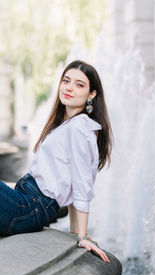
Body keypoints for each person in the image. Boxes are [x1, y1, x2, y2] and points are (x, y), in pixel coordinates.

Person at [0, 60, 113, 263]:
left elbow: (81, 183)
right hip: (27, 202)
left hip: (28, 208)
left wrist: (82, 237)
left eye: (79, 85)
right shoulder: (67, 125)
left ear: (92, 94)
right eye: (66, 81)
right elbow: (68, 183)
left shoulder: (80, 128)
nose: (69, 87)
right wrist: (73, 231)